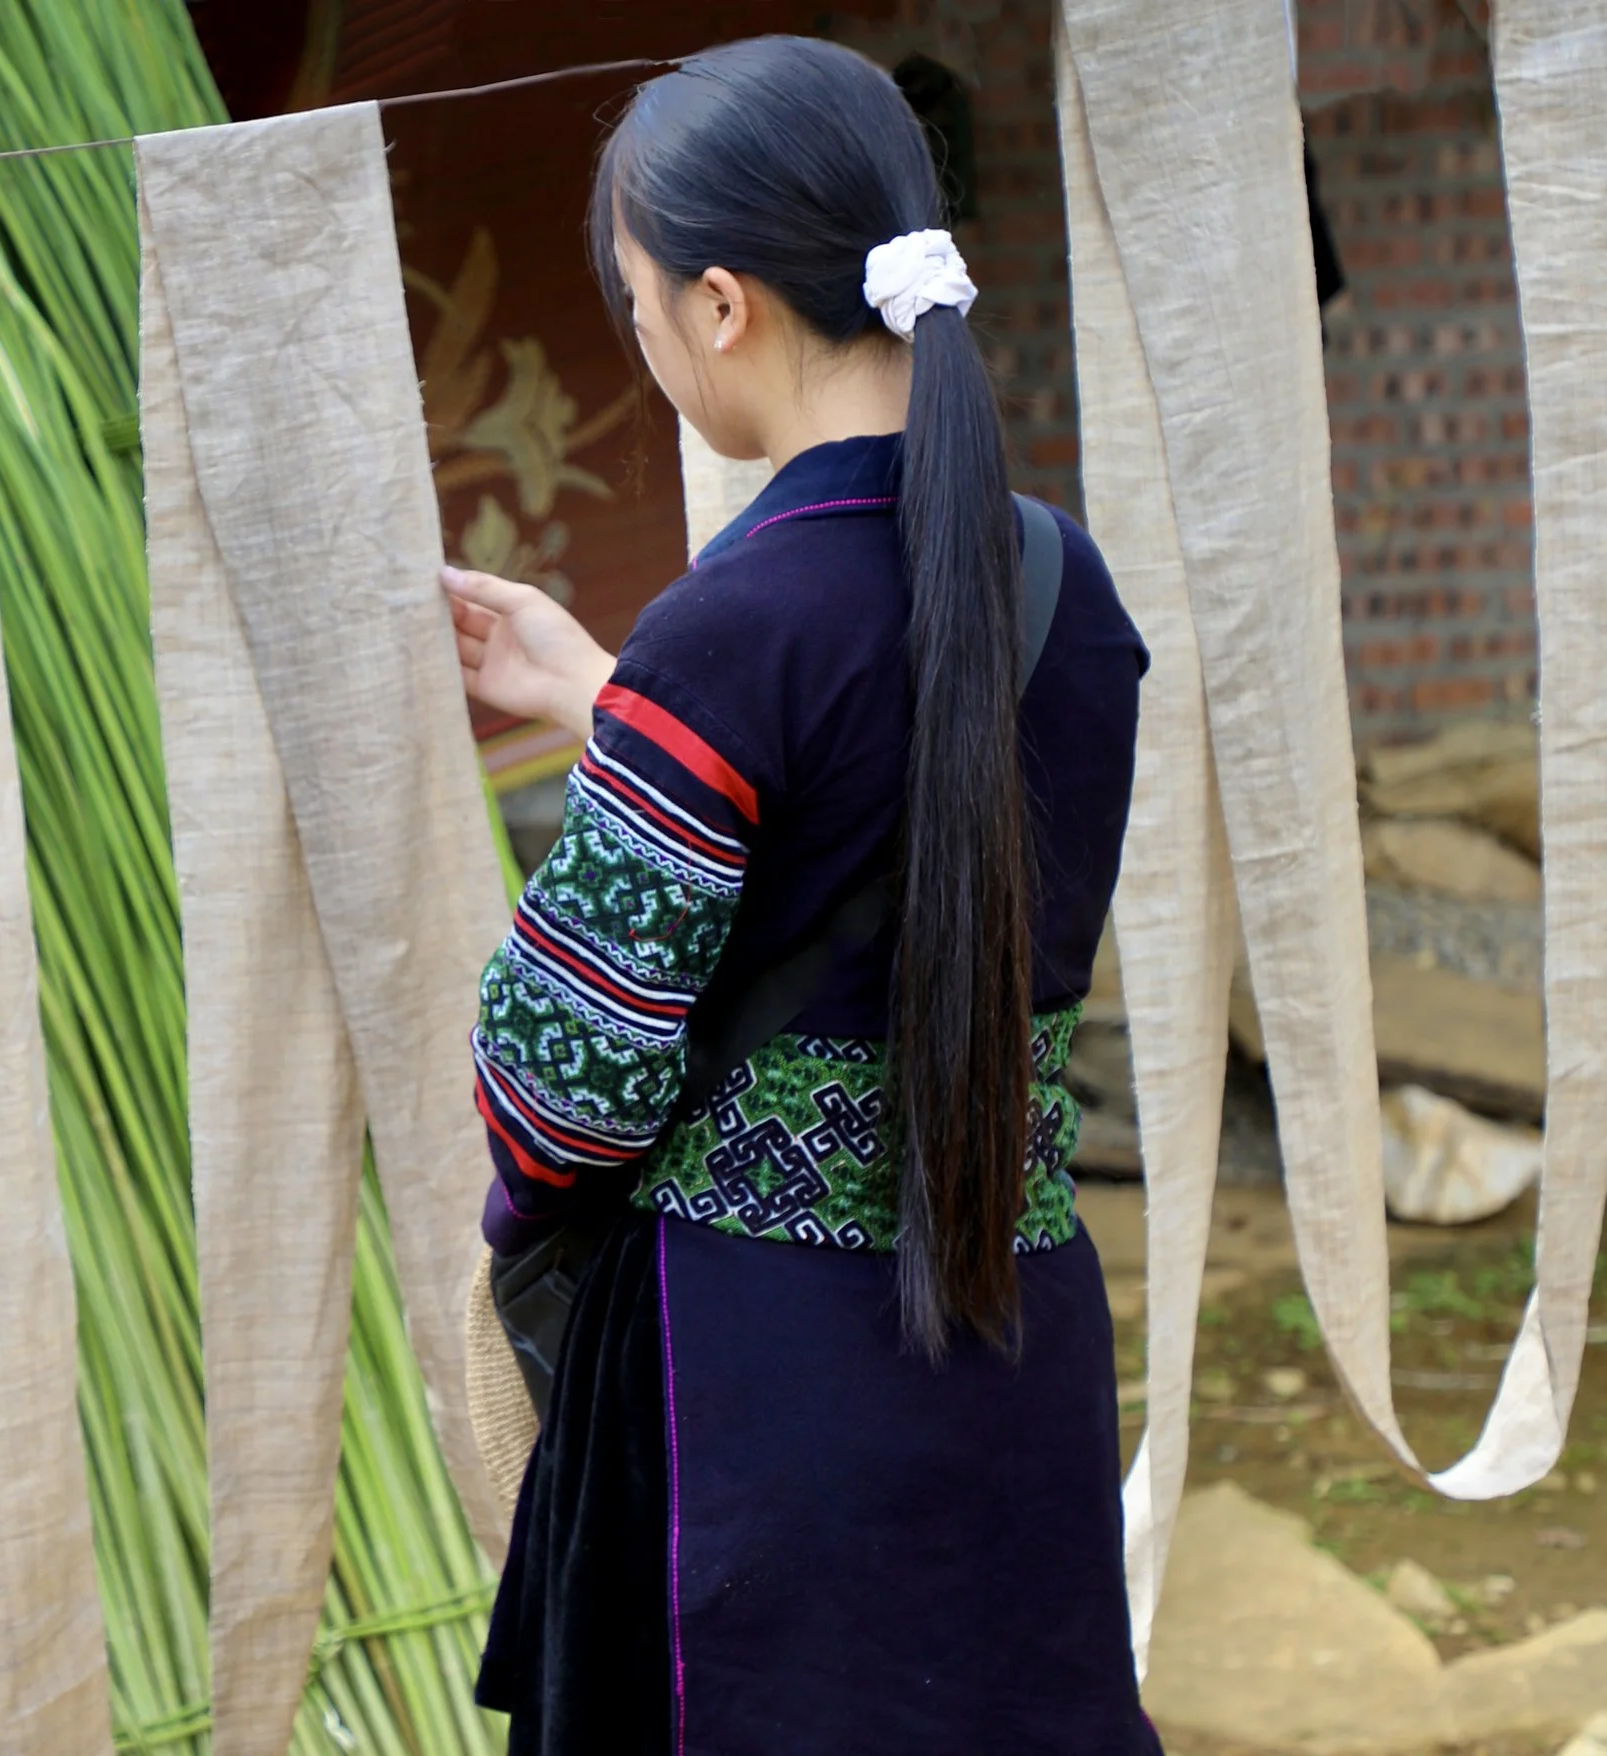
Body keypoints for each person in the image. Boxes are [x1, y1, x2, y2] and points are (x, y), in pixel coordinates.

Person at [443, 37, 1158, 1756]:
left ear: (719, 307)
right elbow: (897, 812)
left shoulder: (737, 630)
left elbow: (557, 1110)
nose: (640, 338)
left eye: (631, 300)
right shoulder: (1064, 590)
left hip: (766, 1392)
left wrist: (641, 708)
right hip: (1014, 1337)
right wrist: (613, 693)